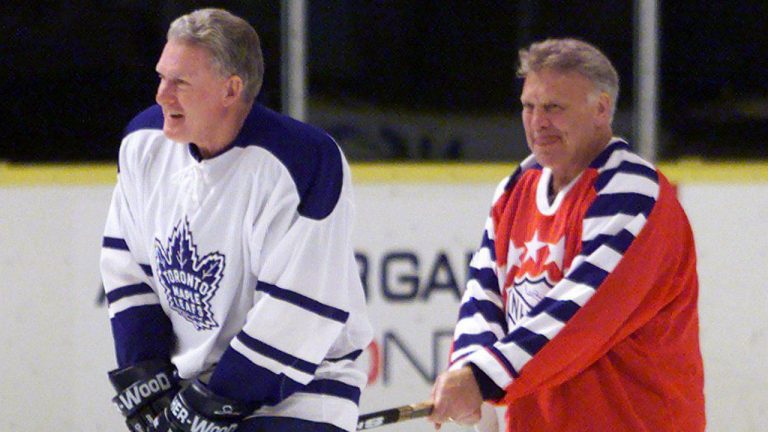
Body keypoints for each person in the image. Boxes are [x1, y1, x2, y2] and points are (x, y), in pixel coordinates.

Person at [100, 8, 372, 432]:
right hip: (191, 389)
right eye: (162, 77)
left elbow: (297, 312)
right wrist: (148, 376)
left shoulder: (302, 162)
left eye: (180, 83)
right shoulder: (143, 144)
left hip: (299, 391)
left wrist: (214, 402)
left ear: (231, 90)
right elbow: (129, 270)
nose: (161, 95)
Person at [428, 38, 705, 431]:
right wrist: (469, 364)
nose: (538, 121)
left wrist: (483, 376)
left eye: (554, 107)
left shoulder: (632, 192)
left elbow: (580, 314)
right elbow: (483, 291)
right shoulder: (516, 188)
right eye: (529, 106)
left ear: (601, 109)